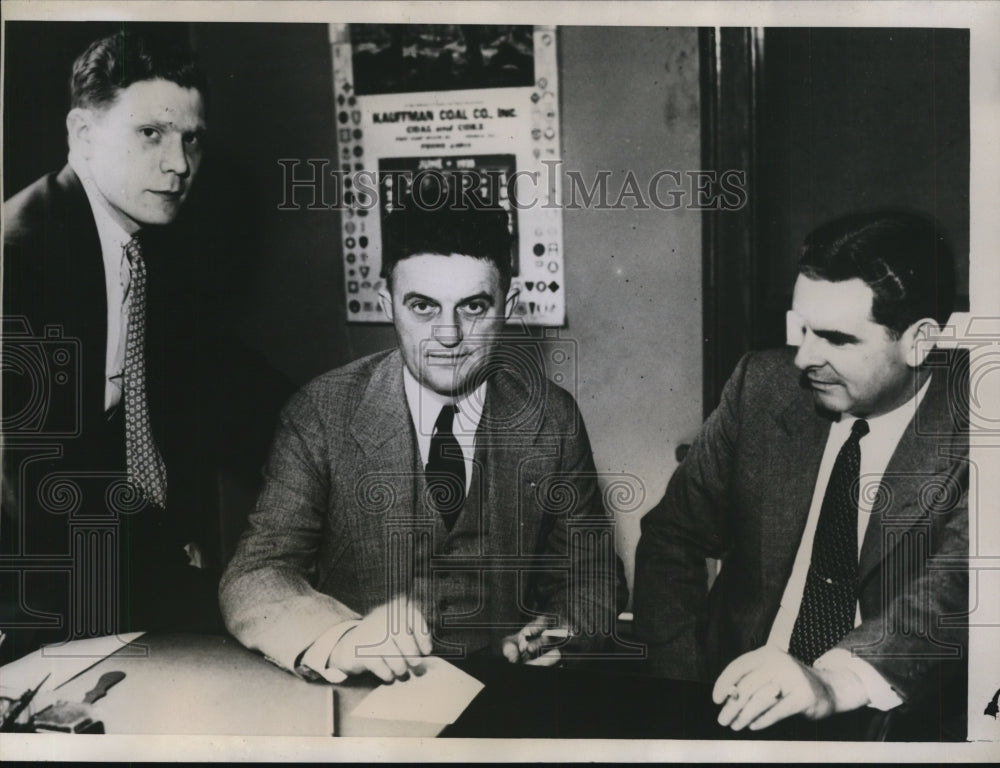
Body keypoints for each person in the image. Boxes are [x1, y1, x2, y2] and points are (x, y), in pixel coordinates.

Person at [220, 207, 626, 683]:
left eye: (473, 307)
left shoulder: (551, 417)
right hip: (359, 700)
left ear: (509, 303)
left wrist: (565, 626)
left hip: (501, 701)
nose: (448, 336)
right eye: (423, 306)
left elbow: (592, 573)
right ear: (387, 302)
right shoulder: (320, 412)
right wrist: (340, 640)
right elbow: (256, 572)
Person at [1, 29, 284, 663]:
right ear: (82, 133)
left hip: (112, 563)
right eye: (150, 133)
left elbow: (225, 374)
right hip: (32, 594)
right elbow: (32, 477)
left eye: (192, 139)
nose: (179, 164)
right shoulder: (18, 260)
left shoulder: (150, 250)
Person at [633, 210, 968, 741]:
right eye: (802, 329)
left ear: (919, 341)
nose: (804, 359)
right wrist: (685, 695)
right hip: (732, 704)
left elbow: (961, 584)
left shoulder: (979, 428)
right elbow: (671, 539)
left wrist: (833, 682)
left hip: (889, 716)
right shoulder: (759, 387)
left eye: (835, 338)